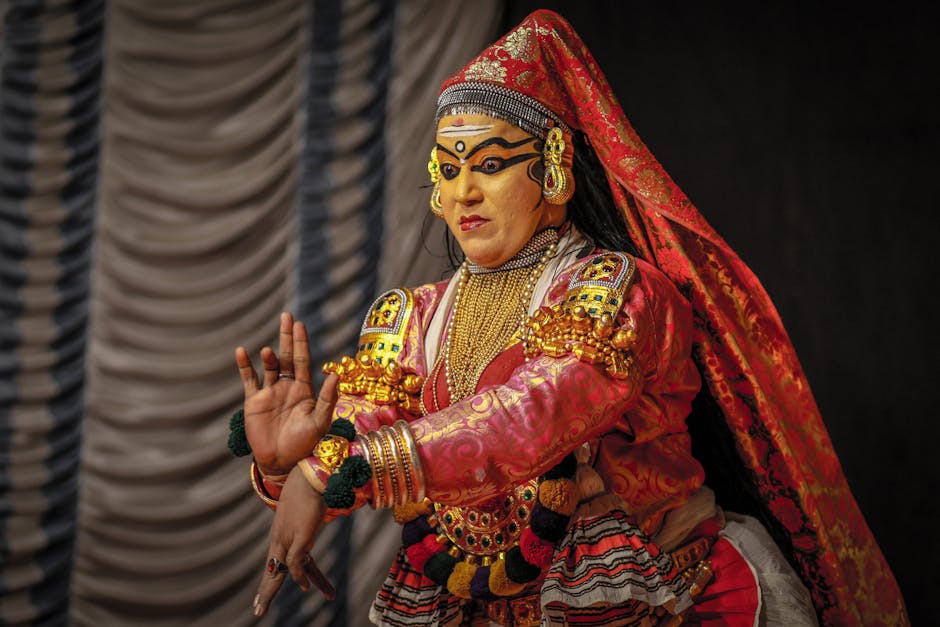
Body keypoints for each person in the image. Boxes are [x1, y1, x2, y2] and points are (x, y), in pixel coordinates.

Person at [233, 10, 907, 626]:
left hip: (664, 596)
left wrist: (331, 469)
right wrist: (288, 461)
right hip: (477, 603)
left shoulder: (615, 293)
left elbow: (535, 415)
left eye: (491, 164)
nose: (463, 190)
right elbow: (361, 438)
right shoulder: (413, 315)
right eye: (448, 168)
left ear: (554, 165)